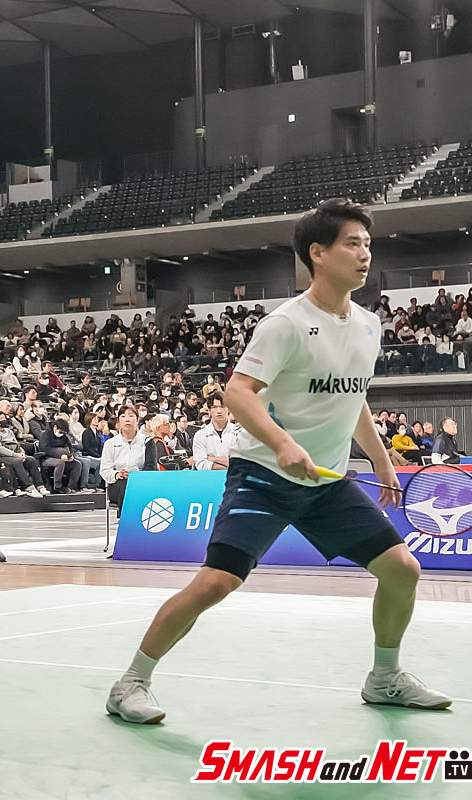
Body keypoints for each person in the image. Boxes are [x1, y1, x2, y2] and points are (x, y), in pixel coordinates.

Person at [105, 199, 447, 725]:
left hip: (325, 481)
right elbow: (238, 392)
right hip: (264, 475)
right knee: (217, 582)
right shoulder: (285, 324)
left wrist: (382, 461)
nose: (365, 254)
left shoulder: (368, 325)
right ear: (318, 253)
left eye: (367, 244)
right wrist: (283, 444)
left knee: (402, 569)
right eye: (352, 244)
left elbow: (353, 397)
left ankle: (384, 678)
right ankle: (131, 682)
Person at [99, 406, 146, 511]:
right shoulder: (110, 443)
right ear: (118, 421)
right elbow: (104, 470)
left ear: (138, 419)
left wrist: (134, 475)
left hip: (141, 482)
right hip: (117, 484)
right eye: (123, 416)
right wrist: (117, 474)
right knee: (124, 484)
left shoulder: (146, 441)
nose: (127, 419)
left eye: (131, 416)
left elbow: (151, 467)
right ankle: (126, 516)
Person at [192, 392, 236, 471]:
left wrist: (212, 459)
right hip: (210, 477)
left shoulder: (240, 433)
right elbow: (201, 464)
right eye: (214, 407)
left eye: (222, 406)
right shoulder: (200, 435)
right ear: (209, 410)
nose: (219, 411)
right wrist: (228, 468)